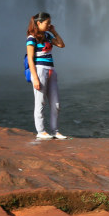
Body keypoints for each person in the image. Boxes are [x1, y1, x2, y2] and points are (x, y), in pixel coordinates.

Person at [26, 12, 66, 140]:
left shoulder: (48, 36)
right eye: (47, 23)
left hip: (51, 70)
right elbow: (30, 60)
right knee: (40, 102)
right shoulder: (31, 38)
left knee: (56, 104)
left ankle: (55, 131)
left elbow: (61, 44)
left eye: (50, 23)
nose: (49, 25)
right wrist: (35, 78)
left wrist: (54, 31)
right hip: (39, 70)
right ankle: (41, 131)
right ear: (38, 23)